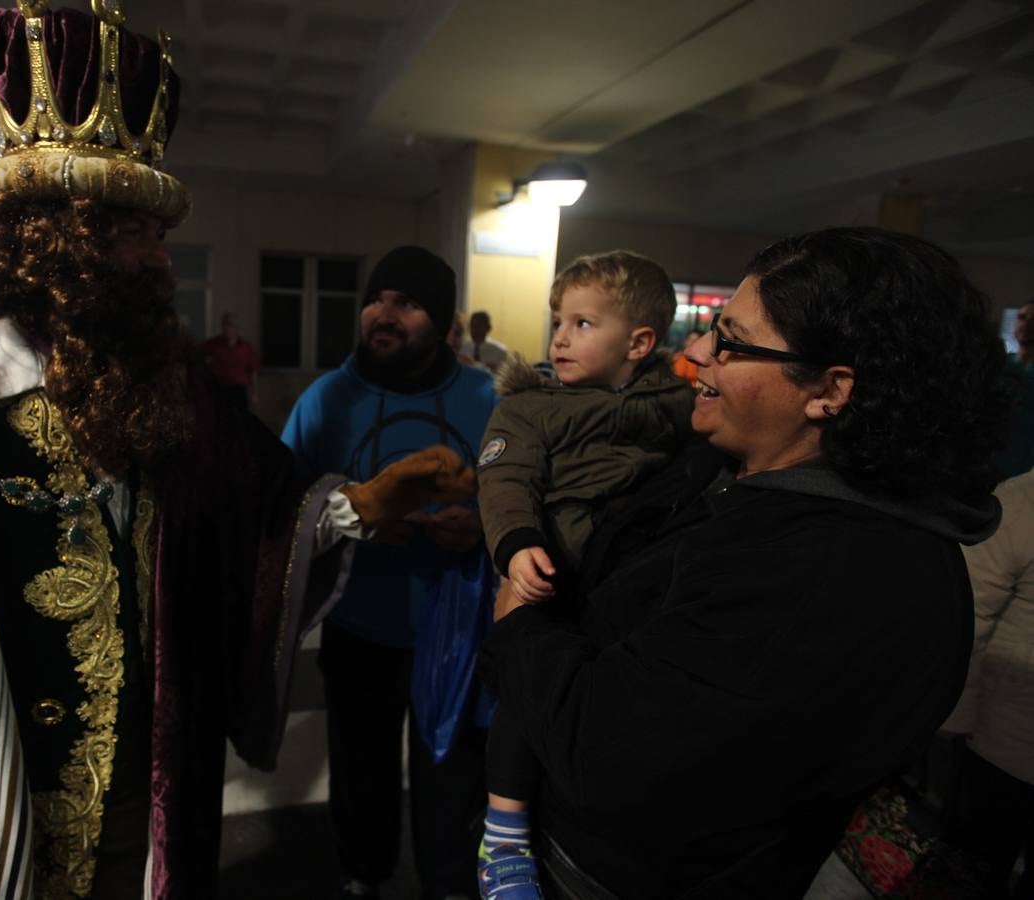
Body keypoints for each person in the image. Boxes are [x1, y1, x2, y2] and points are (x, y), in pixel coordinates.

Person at [0, 6, 475, 900]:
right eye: (135, 232)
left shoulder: (166, 378)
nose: (158, 257)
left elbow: (254, 505)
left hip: (140, 769)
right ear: (58, 234)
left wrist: (355, 506)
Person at [481, 227, 1010, 899]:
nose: (695, 350)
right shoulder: (730, 465)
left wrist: (520, 624)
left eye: (729, 340)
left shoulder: (835, 572)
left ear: (829, 390)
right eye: (710, 328)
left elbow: (611, 756)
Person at [473, 251, 693, 897]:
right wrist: (517, 547)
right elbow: (504, 479)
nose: (560, 337)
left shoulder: (677, 405)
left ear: (640, 342)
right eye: (558, 322)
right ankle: (504, 829)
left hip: (633, 589)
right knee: (527, 692)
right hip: (553, 575)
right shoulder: (529, 408)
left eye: (583, 323)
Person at [282, 245, 498, 899]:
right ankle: (364, 876)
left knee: (450, 778)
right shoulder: (327, 399)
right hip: (361, 625)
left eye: (406, 303)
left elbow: (524, 497)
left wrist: (482, 527)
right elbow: (285, 505)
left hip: (456, 632)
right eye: (377, 299)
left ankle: (448, 886)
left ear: (441, 319)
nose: (384, 313)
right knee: (361, 770)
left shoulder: (487, 396)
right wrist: (356, 512)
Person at [941, 468, 1034, 898]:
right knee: (976, 861)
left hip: (1008, 735)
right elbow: (970, 614)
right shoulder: (1024, 501)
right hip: (1007, 740)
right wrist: (954, 714)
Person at [996, 299, 1034, 477]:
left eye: (1033, 319)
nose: (1026, 324)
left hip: (1022, 471)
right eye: (1022, 317)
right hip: (988, 460)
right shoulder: (1001, 364)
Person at [200, 311, 259, 409]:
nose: (228, 328)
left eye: (230, 325)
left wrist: (255, 392)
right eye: (225, 325)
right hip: (219, 389)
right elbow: (197, 356)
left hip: (238, 390)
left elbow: (253, 371)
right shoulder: (213, 344)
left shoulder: (246, 347)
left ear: (237, 328)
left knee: (239, 419)